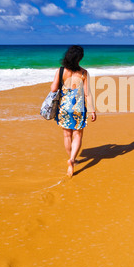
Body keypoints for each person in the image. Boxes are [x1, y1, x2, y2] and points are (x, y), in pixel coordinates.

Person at [51, 45, 96, 177]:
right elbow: (88, 94)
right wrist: (92, 110)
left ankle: (73, 159)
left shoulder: (61, 71)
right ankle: (72, 159)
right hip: (78, 108)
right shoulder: (83, 73)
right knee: (78, 135)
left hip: (64, 108)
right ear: (79, 58)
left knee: (67, 135)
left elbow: (53, 89)